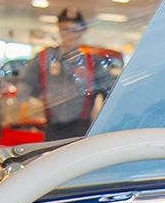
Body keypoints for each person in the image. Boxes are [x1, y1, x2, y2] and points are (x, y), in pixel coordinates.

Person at [14, 10, 116, 141]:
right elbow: (26, 84)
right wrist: (27, 102)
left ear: (82, 31)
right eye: (65, 29)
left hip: (81, 128)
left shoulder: (93, 62)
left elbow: (109, 93)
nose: (70, 35)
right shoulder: (45, 58)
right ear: (59, 30)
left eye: (75, 30)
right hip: (52, 128)